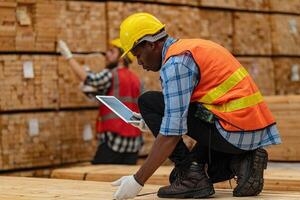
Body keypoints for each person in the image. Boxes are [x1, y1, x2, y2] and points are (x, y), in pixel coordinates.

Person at [111, 13, 281, 199]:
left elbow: (172, 132)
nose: (139, 62)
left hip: (231, 129)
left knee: (149, 102)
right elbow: (195, 105)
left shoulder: (176, 63)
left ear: (151, 44)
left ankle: (196, 175)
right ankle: (241, 161)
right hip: (246, 129)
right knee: (178, 177)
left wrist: (137, 180)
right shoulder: (191, 49)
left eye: (138, 55)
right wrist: (150, 121)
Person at [58, 39, 144, 165]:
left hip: (114, 141)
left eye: (111, 51)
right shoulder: (137, 80)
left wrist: (69, 57)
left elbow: (89, 79)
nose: (106, 54)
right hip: (134, 143)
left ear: (121, 57)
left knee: (99, 178)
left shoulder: (111, 75)